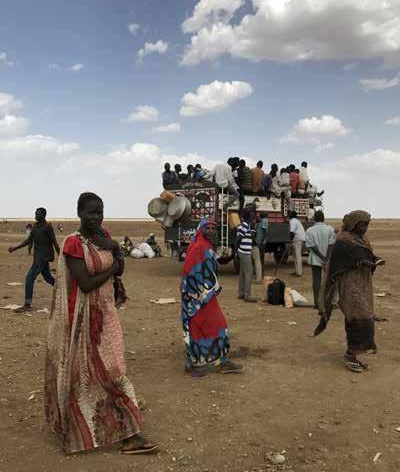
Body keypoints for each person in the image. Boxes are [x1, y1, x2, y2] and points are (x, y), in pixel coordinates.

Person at [45, 192, 158, 454]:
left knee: (113, 368)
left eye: (100, 211)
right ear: (79, 213)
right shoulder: (73, 243)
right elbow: (86, 283)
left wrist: (114, 248)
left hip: (106, 314)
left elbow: (120, 266)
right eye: (91, 212)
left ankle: (124, 428)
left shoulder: (103, 237)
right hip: (84, 319)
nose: (96, 217)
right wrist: (113, 267)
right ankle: (128, 434)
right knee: (98, 372)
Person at [315, 210, 385, 373]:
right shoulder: (343, 241)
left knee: (364, 317)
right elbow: (339, 263)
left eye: (366, 225)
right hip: (350, 284)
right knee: (358, 318)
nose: (364, 228)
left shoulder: (362, 239)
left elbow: (367, 255)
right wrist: (360, 263)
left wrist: (375, 260)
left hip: (363, 284)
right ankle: (350, 355)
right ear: (353, 224)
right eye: (362, 225)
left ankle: (354, 354)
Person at [181, 218, 243, 376]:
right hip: (197, 297)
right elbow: (191, 271)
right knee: (205, 326)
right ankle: (198, 363)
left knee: (213, 326)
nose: (210, 231)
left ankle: (219, 361)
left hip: (206, 295)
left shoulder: (207, 246)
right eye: (207, 228)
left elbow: (208, 268)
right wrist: (207, 289)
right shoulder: (198, 247)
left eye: (213, 228)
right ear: (201, 230)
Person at [9, 208, 60, 312]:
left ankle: (27, 305)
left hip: (43, 257)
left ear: (43, 215)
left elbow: (54, 242)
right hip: (37, 256)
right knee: (48, 278)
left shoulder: (48, 227)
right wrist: (15, 248)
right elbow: (29, 240)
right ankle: (64, 289)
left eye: (38, 214)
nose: (35, 216)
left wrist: (61, 257)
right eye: (35, 214)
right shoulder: (35, 226)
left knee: (29, 277)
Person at [305, 211, 336, 309]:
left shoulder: (309, 230)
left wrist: (322, 257)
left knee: (316, 281)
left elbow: (312, 246)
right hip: (328, 259)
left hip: (315, 259)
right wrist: (326, 258)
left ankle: (317, 303)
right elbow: (331, 244)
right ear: (323, 218)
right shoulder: (330, 229)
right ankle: (330, 303)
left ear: (314, 218)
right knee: (329, 281)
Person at [237, 208, 257, 302]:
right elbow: (238, 239)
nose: (254, 216)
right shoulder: (245, 226)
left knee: (242, 273)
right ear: (249, 216)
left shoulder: (245, 225)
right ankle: (247, 295)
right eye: (252, 214)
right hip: (245, 252)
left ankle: (241, 293)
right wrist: (253, 228)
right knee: (249, 272)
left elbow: (249, 238)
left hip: (243, 251)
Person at [252, 212, 268, 282]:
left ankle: (261, 275)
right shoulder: (262, 221)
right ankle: (260, 274)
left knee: (260, 259)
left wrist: (261, 241)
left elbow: (265, 232)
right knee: (259, 259)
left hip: (260, 243)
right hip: (259, 242)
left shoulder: (264, 221)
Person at [289, 210, 306, 277]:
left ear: (291, 215)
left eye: (289, 214)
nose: (288, 215)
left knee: (297, 256)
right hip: (299, 238)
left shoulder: (293, 221)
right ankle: (297, 271)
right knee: (295, 256)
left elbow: (292, 232)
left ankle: (299, 272)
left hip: (297, 239)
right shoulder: (296, 221)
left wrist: (290, 240)